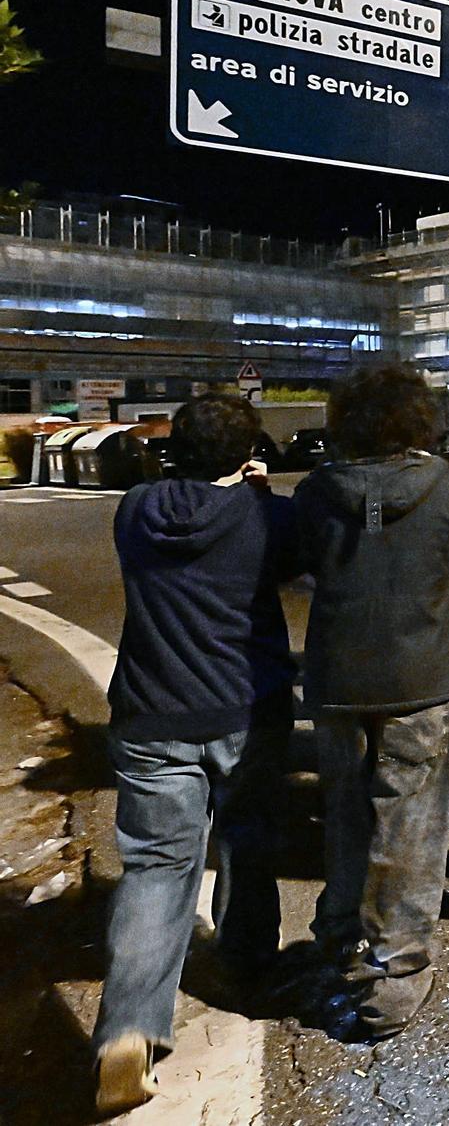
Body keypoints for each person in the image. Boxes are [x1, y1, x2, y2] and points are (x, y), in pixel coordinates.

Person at [91, 395, 299, 1115]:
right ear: (248, 453)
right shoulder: (265, 516)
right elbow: (292, 561)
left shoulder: (136, 510)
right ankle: (247, 960)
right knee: (248, 837)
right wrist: (256, 491)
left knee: (156, 866)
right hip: (247, 706)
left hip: (151, 713)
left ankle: (128, 1029)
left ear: (174, 448)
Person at [294, 364, 449, 1042]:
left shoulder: (317, 491)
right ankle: (397, 967)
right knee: (411, 823)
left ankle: (340, 935)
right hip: (419, 674)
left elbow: (300, 564)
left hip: (337, 678)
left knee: (345, 812)